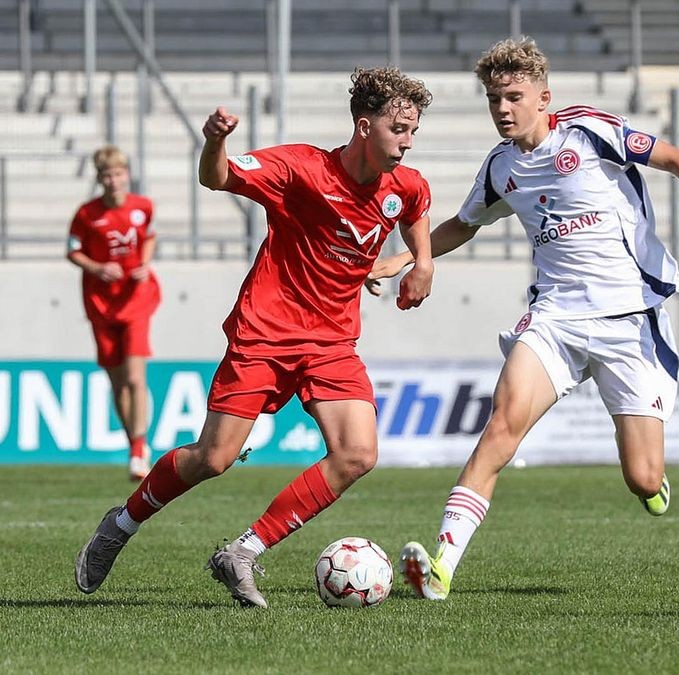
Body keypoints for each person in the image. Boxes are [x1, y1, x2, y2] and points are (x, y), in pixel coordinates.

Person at [366, 37, 679, 601]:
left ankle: (652, 483)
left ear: (543, 97)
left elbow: (676, 159)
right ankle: (443, 564)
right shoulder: (501, 167)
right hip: (556, 319)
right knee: (502, 425)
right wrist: (409, 257)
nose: (503, 108)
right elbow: (464, 223)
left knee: (642, 477)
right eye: (494, 98)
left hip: (629, 321)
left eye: (514, 96)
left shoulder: (590, 131)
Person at [73, 67, 435, 608]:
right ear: (364, 126)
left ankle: (243, 551)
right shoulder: (299, 169)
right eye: (397, 129)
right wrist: (215, 142)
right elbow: (215, 179)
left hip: (332, 342)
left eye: (412, 132)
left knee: (358, 454)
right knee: (212, 459)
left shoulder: (405, 184)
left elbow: (415, 211)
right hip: (265, 334)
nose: (406, 143)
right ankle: (121, 525)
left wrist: (420, 263)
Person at [68, 146, 161, 481]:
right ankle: (134, 443)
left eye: (119, 173)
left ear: (127, 174)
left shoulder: (142, 206)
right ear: (99, 179)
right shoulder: (86, 214)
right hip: (101, 303)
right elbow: (72, 251)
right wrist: (96, 267)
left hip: (136, 299)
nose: (114, 180)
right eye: (107, 175)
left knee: (136, 377)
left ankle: (139, 449)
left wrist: (145, 263)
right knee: (117, 381)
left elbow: (149, 237)